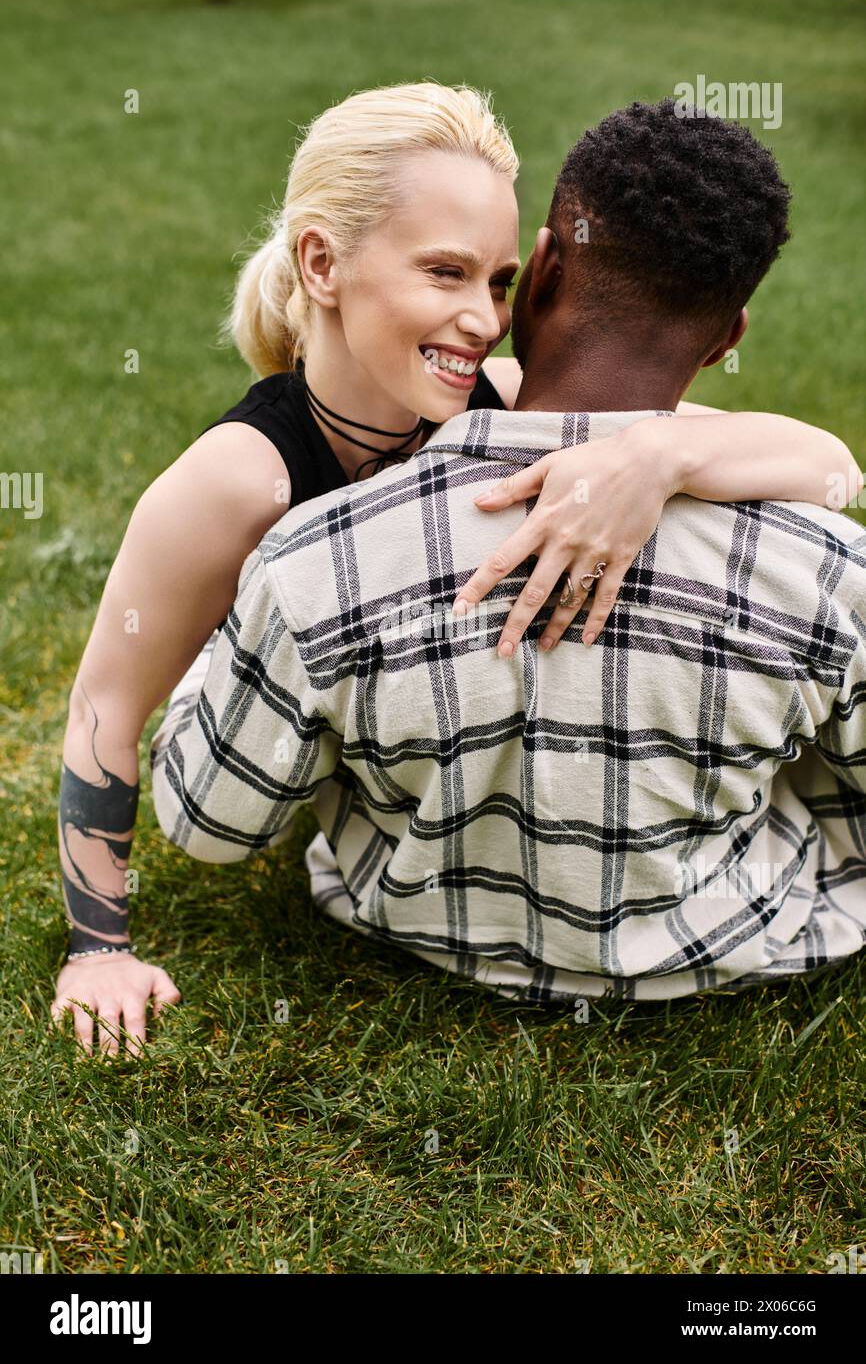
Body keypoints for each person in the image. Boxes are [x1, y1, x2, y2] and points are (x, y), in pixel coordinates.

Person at [52, 84, 860, 1056]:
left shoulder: (500, 395)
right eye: (445, 273)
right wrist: (98, 948)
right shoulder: (241, 482)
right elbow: (104, 702)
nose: (480, 319)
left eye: (497, 279)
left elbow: (828, 466)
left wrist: (658, 458)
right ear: (321, 263)